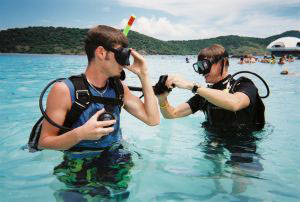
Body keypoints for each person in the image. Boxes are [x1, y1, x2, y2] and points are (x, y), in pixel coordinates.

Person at [38, 25, 160, 199]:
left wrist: (144, 75)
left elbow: (153, 119)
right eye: (121, 55)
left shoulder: (119, 89)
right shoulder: (64, 90)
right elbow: (44, 142)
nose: (125, 63)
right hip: (78, 161)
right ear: (102, 53)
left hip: (115, 158)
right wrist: (81, 134)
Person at [157, 44, 265, 133]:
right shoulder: (204, 95)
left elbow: (235, 103)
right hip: (214, 141)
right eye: (199, 67)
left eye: (204, 65)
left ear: (223, 63)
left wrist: (190, 86)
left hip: (242, 144)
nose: (202, 71)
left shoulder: (244, 85)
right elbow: (172, 114)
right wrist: (162, 99)